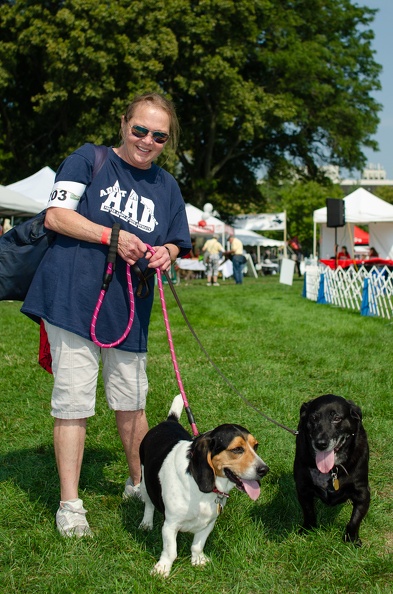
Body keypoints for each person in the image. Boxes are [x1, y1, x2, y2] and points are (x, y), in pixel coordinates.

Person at [21, 92, 192, 537]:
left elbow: (177, 240)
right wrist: (110, 236)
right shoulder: (88, 159)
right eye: (140, 129)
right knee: (74, 402)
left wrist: (166, 253)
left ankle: (139, 484)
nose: (147, 140)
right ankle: (70, 505)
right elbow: (57, 216)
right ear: (123, 124)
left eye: (158, 135)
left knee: (132, 402)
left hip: (130, 306)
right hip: (73, 300)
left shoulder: (167, 186)